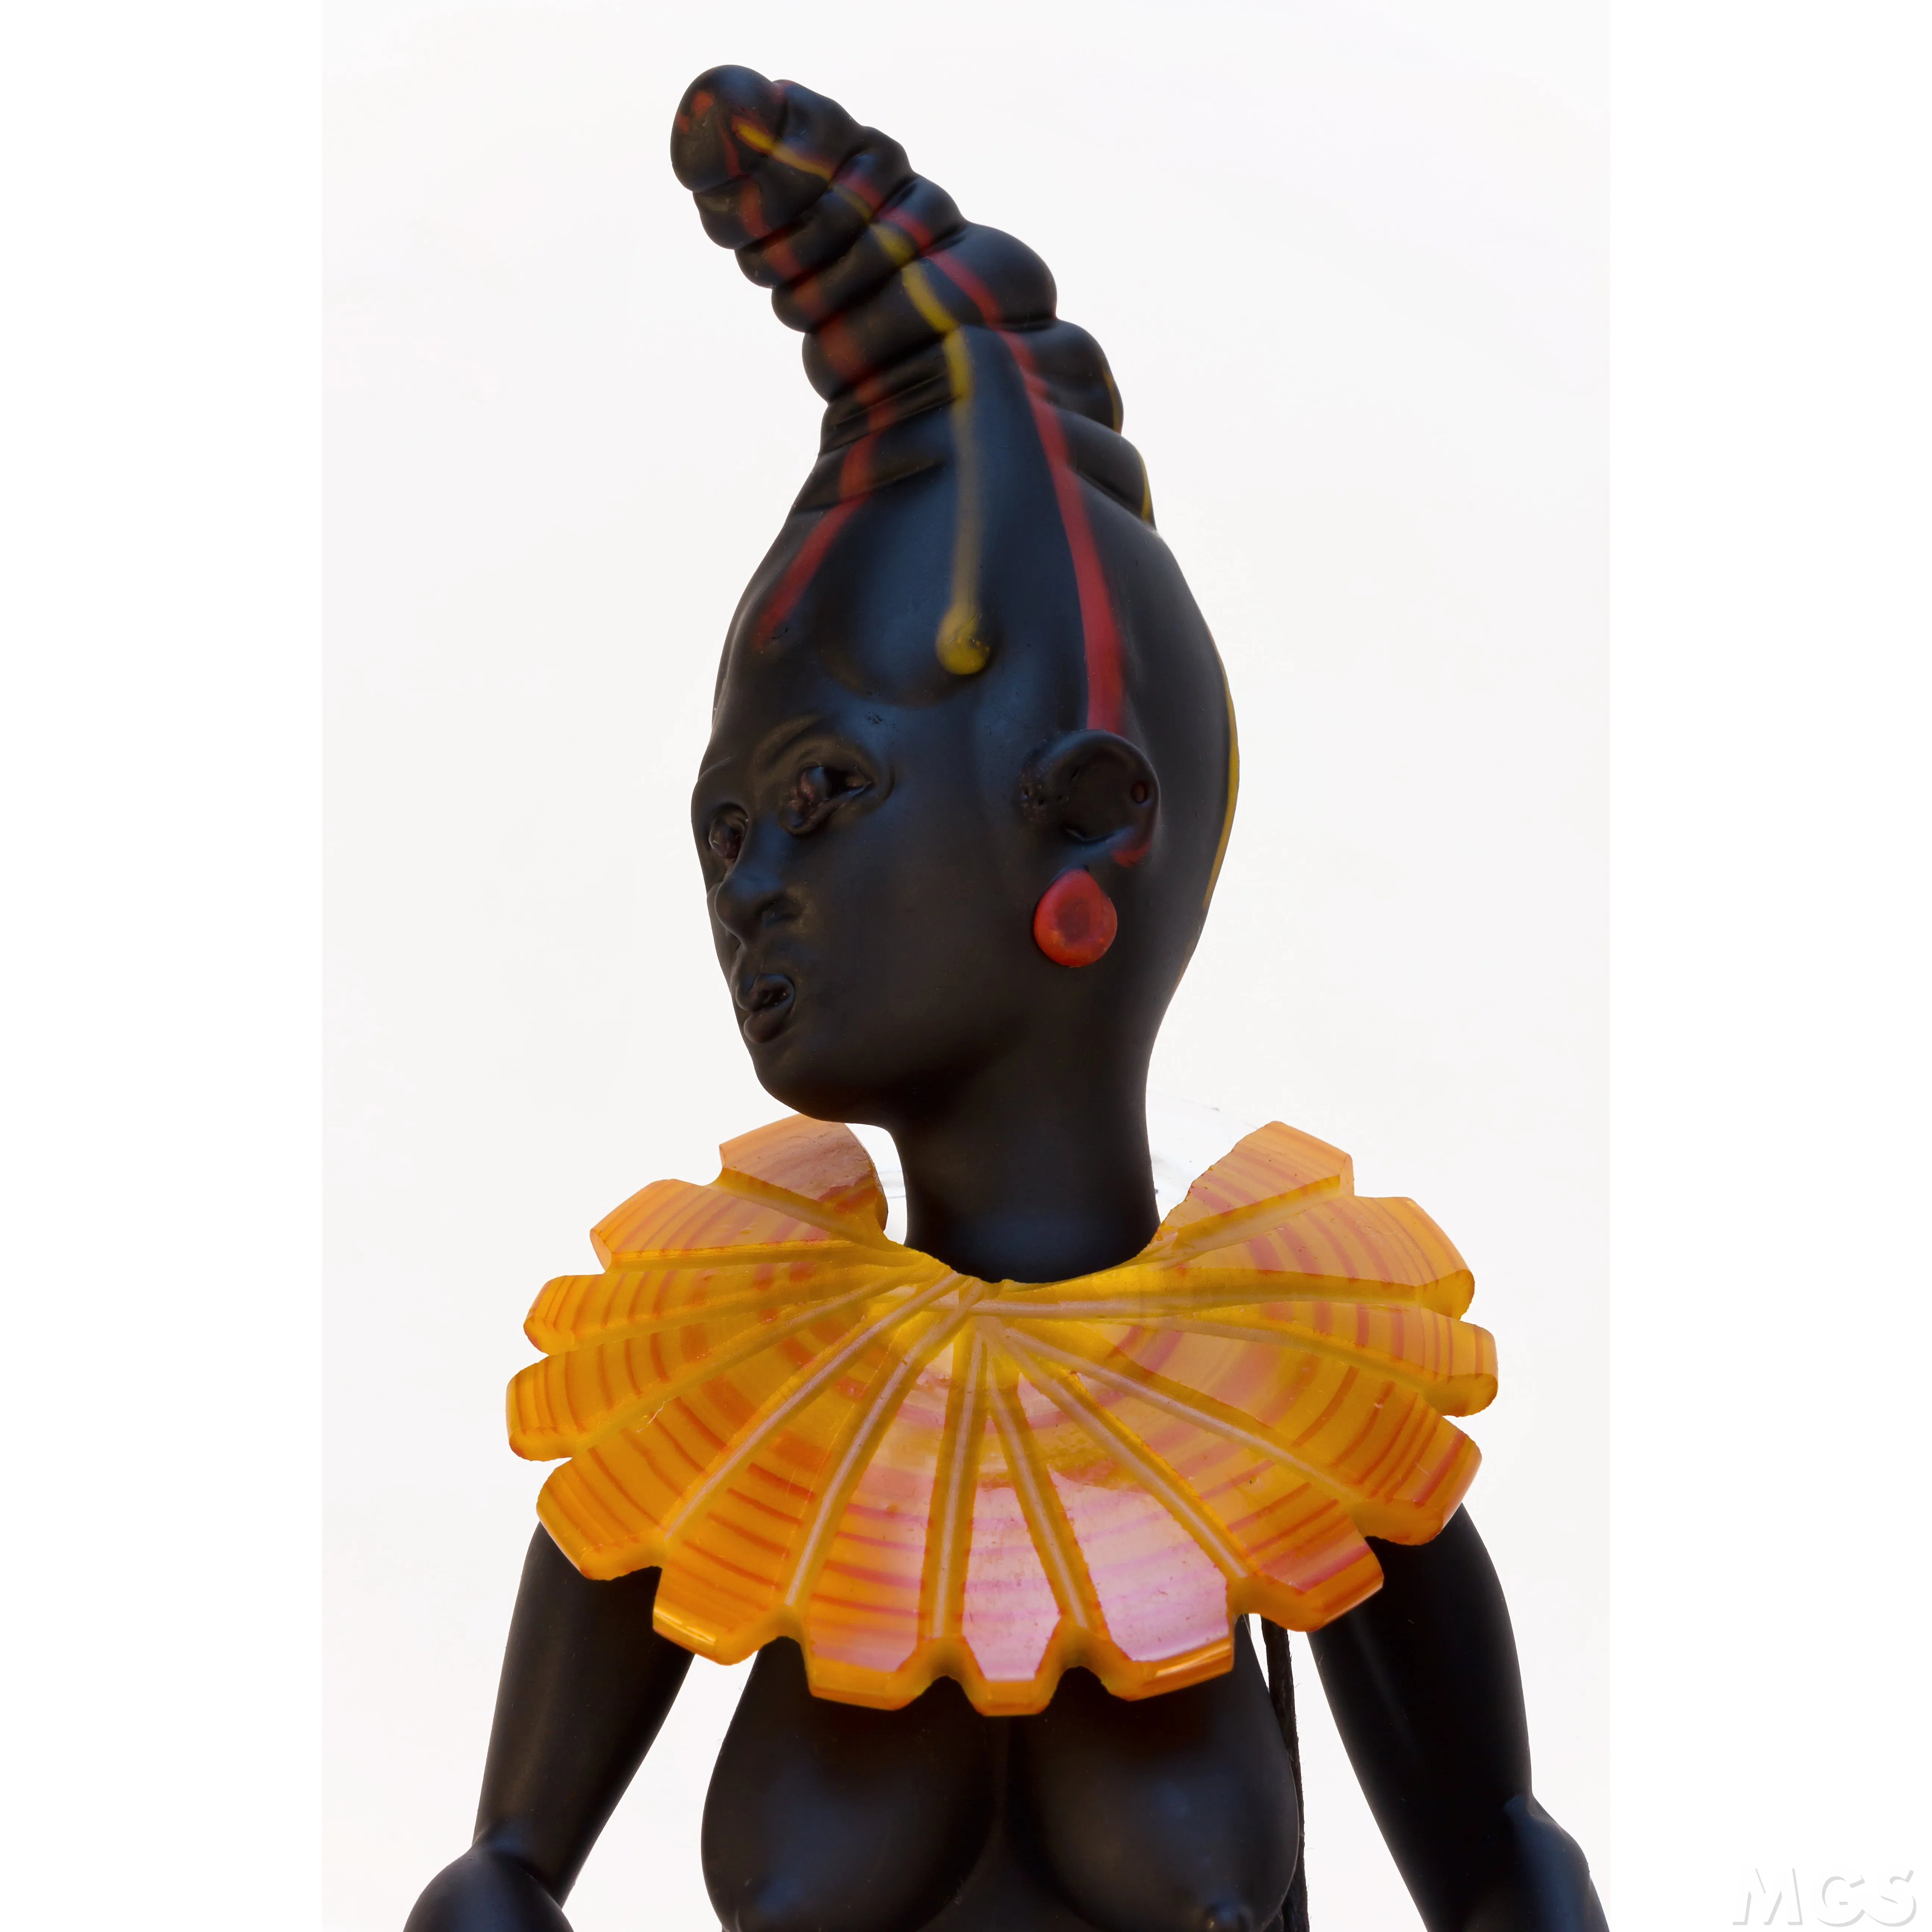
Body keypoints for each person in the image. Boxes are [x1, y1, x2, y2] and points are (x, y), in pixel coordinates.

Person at [404, 67, 1606, 1932]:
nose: (749, 882)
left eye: (821, 792)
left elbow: (1505, 1872)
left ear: (1096, 820)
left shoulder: (1308, 1411)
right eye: (722, 826)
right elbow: (498, 1885)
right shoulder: (714, 1408)